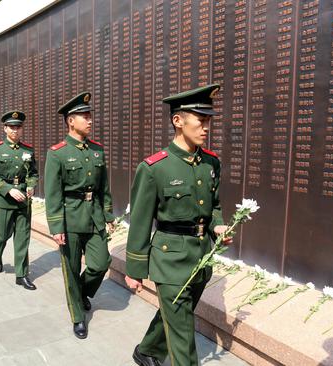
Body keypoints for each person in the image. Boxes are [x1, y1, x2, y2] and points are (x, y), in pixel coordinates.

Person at [124, 84, 231, 366]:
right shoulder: (154, 168)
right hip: (169, 259)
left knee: (174, 314)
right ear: (178, 121)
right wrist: (134, 269)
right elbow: (140, 222)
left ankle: (146, 351)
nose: (206, 127)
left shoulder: (211, 163)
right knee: (183, 335)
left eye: (208, 120)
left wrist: (216, 227)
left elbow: (215, 205)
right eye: (201, 120)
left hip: (200, 256)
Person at [44, 91, 116, 339]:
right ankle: (77, 316)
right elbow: (52, 193)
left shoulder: (97, 150)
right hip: (70, 217)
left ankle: (82, 292)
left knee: (100, 263)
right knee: (71, 269)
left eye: (89, 116)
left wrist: (108, 214)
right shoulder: (57, 153)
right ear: (71, 121)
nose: (90, 120)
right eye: (85, 116)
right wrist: (56, 226)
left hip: (94, 215)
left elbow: (103, 186)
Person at [0, 111, 38, 290]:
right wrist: (8, 190)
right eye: (12, 127)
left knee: (23, 237)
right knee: (2, 235)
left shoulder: (28, 150)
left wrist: (31, 185)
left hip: (23, 199)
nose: (15, 130)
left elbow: (33, 173)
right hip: (4, 200)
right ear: (5, 128)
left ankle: (21, 274)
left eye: (18, 127)